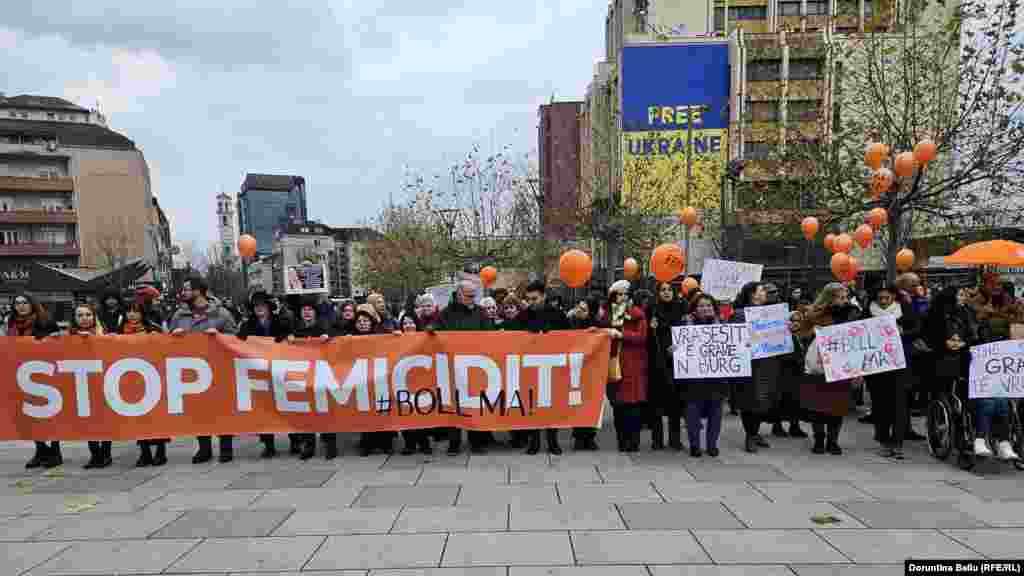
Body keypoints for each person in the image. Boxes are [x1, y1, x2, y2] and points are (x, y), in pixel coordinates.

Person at [169, 275, 238, 463]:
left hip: (218, 369)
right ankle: (204, 448)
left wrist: (220, 336)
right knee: (198, 410)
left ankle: (226, 447)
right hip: (193, 372)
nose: (184, 293)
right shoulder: (179, 315)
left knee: (223, 409)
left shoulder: (221, 314)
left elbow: (236, 339)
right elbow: (168, 343)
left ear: (199, 291)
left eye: (187, 289)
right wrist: (173, 337)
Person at [426, 280, 494, 455]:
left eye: (474, 295)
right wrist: (432, 329)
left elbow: (489, 334)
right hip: (452, 368)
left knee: (473, 404)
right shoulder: (446, 313)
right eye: (469, 296)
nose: (472, 299)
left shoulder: (480, 313)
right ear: (459, 294)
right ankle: (454, 443)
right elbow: (434, 327)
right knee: (453, 405)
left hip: (474, 366)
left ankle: (476, 442)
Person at [801, 282, 861, 455]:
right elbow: (803, 333)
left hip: (842, 363)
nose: (844, 301)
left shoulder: (852, 313)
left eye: (846, 297)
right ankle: (819, 439)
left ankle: (833, 440)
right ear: (829, 298)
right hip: (819, 363)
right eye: (840, 297)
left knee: (838, 404)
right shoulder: (815, 313)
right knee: (818, 404)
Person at [7, 293, 62, 468]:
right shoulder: (12, 323)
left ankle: (55, 450)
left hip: (44, 375)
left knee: (49, 415)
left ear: (32, 304)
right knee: (28, 416)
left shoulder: (44, 321)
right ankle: (40, 449)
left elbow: (57, 345)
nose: (21, 306)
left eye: (24, 303)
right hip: (21, 374)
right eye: (17, 303)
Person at [237, 291, 293, 458]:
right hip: (259, 372)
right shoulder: (247, 325)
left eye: (262, 305)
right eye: (256, 306)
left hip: (279, 370)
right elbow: (238, 341)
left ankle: (295, 439)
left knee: (287, 404)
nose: (259, 308)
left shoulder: (281, 322)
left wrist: (288, 337)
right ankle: (268, 443)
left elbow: (289, 335)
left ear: (269, 307)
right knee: (264, 408)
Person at [518, 280, 571, 455]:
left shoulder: (558, 315)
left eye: (535, 298)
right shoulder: (524, 315)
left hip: (553, 368)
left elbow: (571, 337)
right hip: (530, 368)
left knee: (552, 406)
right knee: (532, 404)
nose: (531, 302)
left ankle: (553, 441)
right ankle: (534, 442)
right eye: (529, 299)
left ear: (544, 296)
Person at [118, 300, 171, 467]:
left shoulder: (152, 329)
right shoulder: (119, 332)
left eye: (135, 311)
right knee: (137, 417)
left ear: (142, 313)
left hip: (152, 376)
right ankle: (145, 451)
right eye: (129, 311)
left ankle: (161, 451)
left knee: (157, 416)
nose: (132, 315)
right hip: (130, 378)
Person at [732, 282, 780, 453]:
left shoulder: (771, 312)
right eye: (762, 290)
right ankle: (750, 435)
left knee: (764, 400)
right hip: (749, 364)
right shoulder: (739, 314)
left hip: (767, 363)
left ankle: (755, 432)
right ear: (753, 294)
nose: (765, 293)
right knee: (750, 400)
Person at [289, 297, 339, 460]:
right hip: (303, 376)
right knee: (306, 413)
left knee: (325, 411)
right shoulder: (296, 329)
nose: (307, 312)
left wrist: (328, 336)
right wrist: (288, 337)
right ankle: (308, 446)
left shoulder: (323, 326)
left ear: (315, 313)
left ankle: (331, 446)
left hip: (322, 375)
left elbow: (337, 335)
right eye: (304, 310)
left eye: (310, 309)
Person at [66, 302, 114, 469]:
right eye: (80, 315)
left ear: (94, 316)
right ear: (74, 319)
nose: (84, 318)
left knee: (104, 419)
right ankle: (95, 454)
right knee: (88, 421)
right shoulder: (68, 337)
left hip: (102, 383)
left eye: (88, 314)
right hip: (81, 385)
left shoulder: (104, 334)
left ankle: (106, 453)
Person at [680, 293, 728, 457]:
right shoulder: (685, 324)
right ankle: (695, 445)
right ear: (694, 308)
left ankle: (712, 445)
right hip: (693, 379)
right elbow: (678, 346)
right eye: (701, 306)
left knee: (716, 413)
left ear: (714, 308)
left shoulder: (722, 324)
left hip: (717, 379)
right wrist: (673, 350)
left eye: (708, 305)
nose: (705, 309)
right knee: (692, 413)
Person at [868, 285, 910, 458]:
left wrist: (904, 333)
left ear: (894, 298)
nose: (884, 301)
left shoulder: (904, 313)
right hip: (877, 368)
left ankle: (898, 442)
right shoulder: (868, 313)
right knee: (880, 405)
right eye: (881, 298)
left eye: (887, 298)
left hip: (899, 366)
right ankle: (884, 441)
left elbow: (917, 329)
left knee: (900, 405)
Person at [647, 282, 688, 451]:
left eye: (669, 290)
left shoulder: (681, 310)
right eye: (662, 290)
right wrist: (651, 329)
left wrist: (678, 347)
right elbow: (647, 339)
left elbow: (687, 334)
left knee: (675, 404)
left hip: (676, 363)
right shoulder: (652, 309)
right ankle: (657, 440)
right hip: (657, 363)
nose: (666, 292)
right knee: (656, 404)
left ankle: (675, 439)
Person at [610, 281, 648, 452]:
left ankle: (633, 442)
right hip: (616, 364)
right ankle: (621, 441)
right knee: (619, 407)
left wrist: (622, 334)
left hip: (633, 365)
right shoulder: (611, 314)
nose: (621, 298)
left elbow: (641, 337)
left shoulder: (638, 315)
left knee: (632, 406)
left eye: (624, 295)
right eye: (618, 295)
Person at [895, 273, 928, 441]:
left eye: (918, 284)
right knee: (902, 392)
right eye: (913, 284)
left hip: (911, 349)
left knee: (908, 392)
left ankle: (905, 427)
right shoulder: (899, 301)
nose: (917, 287)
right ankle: (901, 428)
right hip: (903, 349)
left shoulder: (916, 300)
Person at [399, 313, 433, 455]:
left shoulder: (424, 338)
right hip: (402, 381)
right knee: (405, 413)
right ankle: (409, 444)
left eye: (411, 322)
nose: (408, 326)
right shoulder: (396, 339)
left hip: (420, 380)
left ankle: (424, 442)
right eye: (405, 323)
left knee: (421, 413)